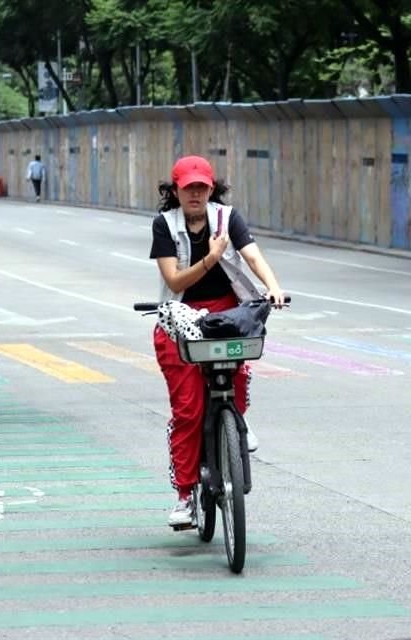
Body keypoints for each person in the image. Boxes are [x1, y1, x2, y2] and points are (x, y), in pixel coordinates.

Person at [148, 155, 284, 527]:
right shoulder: (165, 225)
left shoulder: (227, 218)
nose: (195, 194)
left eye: (201, 187)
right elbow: (175, 282)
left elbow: (253, 257)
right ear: (176, 190)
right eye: (188, 187)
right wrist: (210, 258)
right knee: (188, 411)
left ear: (211, 189)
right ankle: (185, 496)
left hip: (225, 313)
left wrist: (273, 288)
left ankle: (235, 418)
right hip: (181, 316)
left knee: (237, 371)